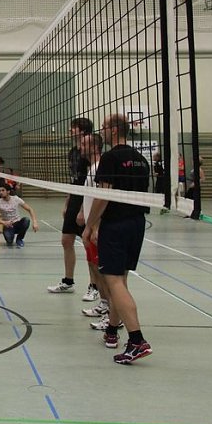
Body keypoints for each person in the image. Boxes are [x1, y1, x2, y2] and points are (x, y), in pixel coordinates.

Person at [83, 114, 152, 364]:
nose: (102, 131)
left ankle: (136, 340)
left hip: (115, 225)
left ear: (114, 130)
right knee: (119, 280)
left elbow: (103, 196)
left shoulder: (110, 158)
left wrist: (91, 226)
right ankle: (112, 331)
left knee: (113, 281)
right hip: (137, 223)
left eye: (104, 127)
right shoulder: (141, 160)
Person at [48, 117, 96, 301]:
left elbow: (90, 183)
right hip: (74, 198)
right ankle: (68, 281)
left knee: (88, 244)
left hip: (87, 200)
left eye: (73, 128)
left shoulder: (89, 155)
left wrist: (83, 209)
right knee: (66, 240)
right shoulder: (73, 152)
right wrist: (67, 203)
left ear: (83, 131)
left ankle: (95, 286)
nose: (69, 130)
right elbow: (74, 180)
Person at [76, 132, 113, 326]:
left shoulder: (100, 167)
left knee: (104, 271)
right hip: (90, 226)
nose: (80, 146)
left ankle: (112, 315)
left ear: (95, 147)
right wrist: (83, 211)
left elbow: (103, 198)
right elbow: (89, 195)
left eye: (84, 143)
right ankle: (105, 303)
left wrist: (96, 226)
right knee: (94, 267)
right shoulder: (91, 168)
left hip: (97, 228)